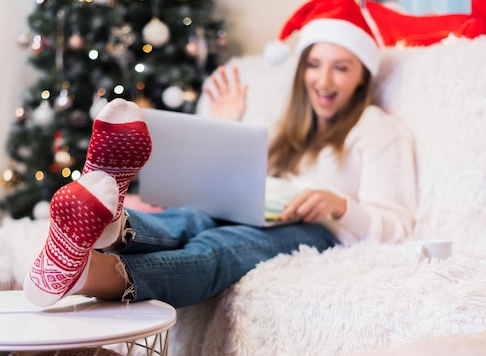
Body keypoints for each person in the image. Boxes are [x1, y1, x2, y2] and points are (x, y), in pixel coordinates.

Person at [23, 0, 417, 309]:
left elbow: (399, 227)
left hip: (322, 232)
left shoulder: (376, 127)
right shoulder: (296, 126)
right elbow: (245, 182)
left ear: (363, 74)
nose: (323, 80)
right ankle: (109, 228)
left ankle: (87, 272)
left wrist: (339, 206)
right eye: (314, 64)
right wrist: (227, 125)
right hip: (267, 209)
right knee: (190, 218)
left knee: (219, 248)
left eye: (341, 68)